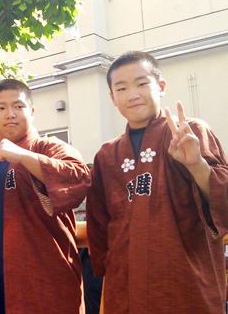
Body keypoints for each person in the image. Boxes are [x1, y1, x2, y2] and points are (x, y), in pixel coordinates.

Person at [86, 51, 228, 313]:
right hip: (125, 286)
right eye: (122, 87)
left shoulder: (191, 132)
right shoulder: (107, 155)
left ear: (161, 87)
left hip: (186, 282)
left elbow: (223, 201)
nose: (133, 94)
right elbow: (99, 226)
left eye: (142, 83)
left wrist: (197, 165)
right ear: (112, 98)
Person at [0, 79, 90, 314]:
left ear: (31, 111)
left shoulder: (50, 147)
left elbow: (78, 178)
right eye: (0, 108)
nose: (10, 114)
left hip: (48, 281)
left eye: (18, 106)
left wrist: (23, 156)